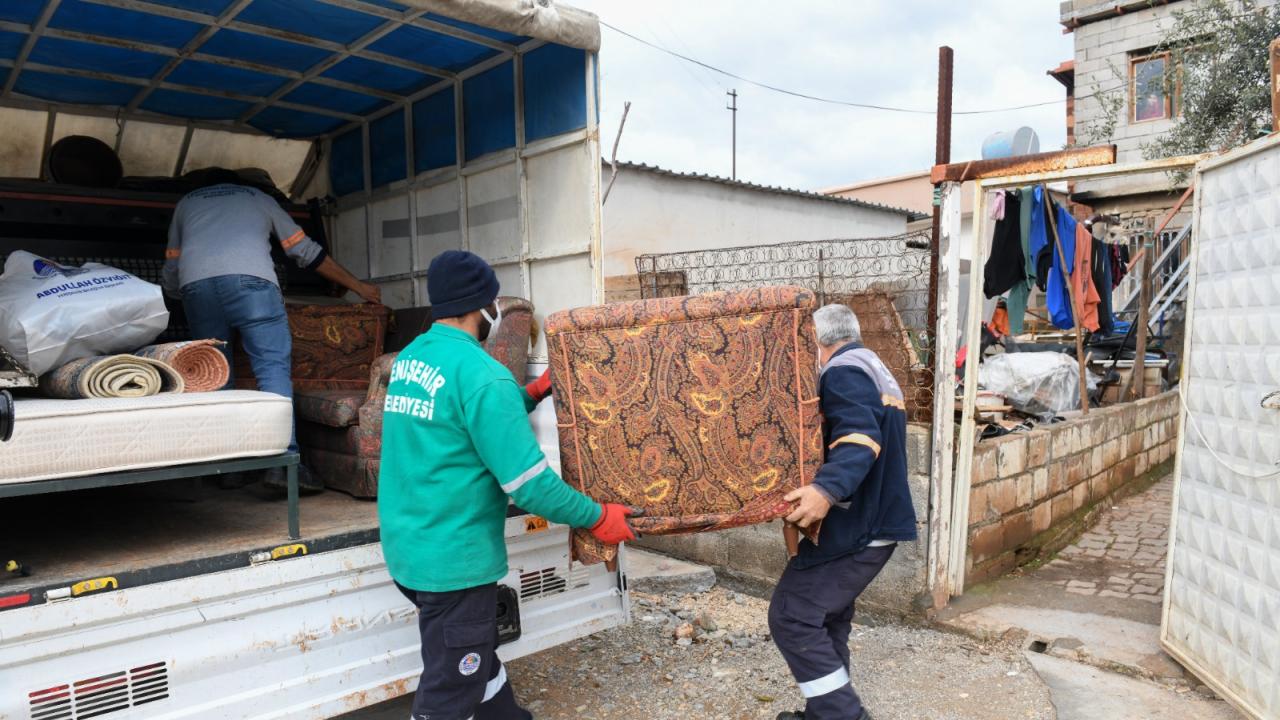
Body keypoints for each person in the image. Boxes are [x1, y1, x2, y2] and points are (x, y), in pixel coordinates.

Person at [378, 250, 638, 720]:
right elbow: (530, 487)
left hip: (408, 550)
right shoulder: (483, 376)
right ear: (483, 307)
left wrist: (532, 393)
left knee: (474, 655)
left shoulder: (411, 360)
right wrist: (598, 517)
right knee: (449, 689)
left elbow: (458, 419)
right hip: (455, 564)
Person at [162, 169, 380, 493]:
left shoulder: (187, 203)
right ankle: (283, 463)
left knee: (215, 373)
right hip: (252, 284)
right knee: (271, 369)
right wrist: (358, 286)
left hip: (197, 287)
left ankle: (230, 467)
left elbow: (171, 268)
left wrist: (178, 298)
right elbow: (303, 250)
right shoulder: (259, 199)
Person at [769, 304, 919, 720]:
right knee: (826, 616)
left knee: (793, 615)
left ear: (818, 342)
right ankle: (825, 713)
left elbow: (859, 437)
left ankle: (841, 716)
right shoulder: (873, 365)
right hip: (875, 519)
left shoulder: (842, 371)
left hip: (858, 523)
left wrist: (825, 490)